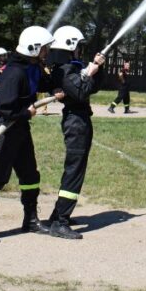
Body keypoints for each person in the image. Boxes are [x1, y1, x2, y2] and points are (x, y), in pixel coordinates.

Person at [0, 26, 61, 243]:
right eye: (45, 48)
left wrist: (56, 86)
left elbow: (44, 83)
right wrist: (25, 112)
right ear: (34, 48)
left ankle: (30, 219)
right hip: (5, 128)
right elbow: (3, 106)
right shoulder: (14, 71)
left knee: (29, 174)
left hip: (20, 127)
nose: (47, 51)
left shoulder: (32, 67)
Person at [41, 25, 105, 239]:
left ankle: (56, 215)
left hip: (79, 120)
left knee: (74, 169)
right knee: (74, 170)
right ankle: (60, 222)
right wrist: (90, 73)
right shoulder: (65, 70)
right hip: (76, 122)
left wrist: (96, 69)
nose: (80, 50)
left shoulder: (67, 67)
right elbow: (80, 93)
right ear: (70, 45)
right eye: (78, 46)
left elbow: (92, 88)